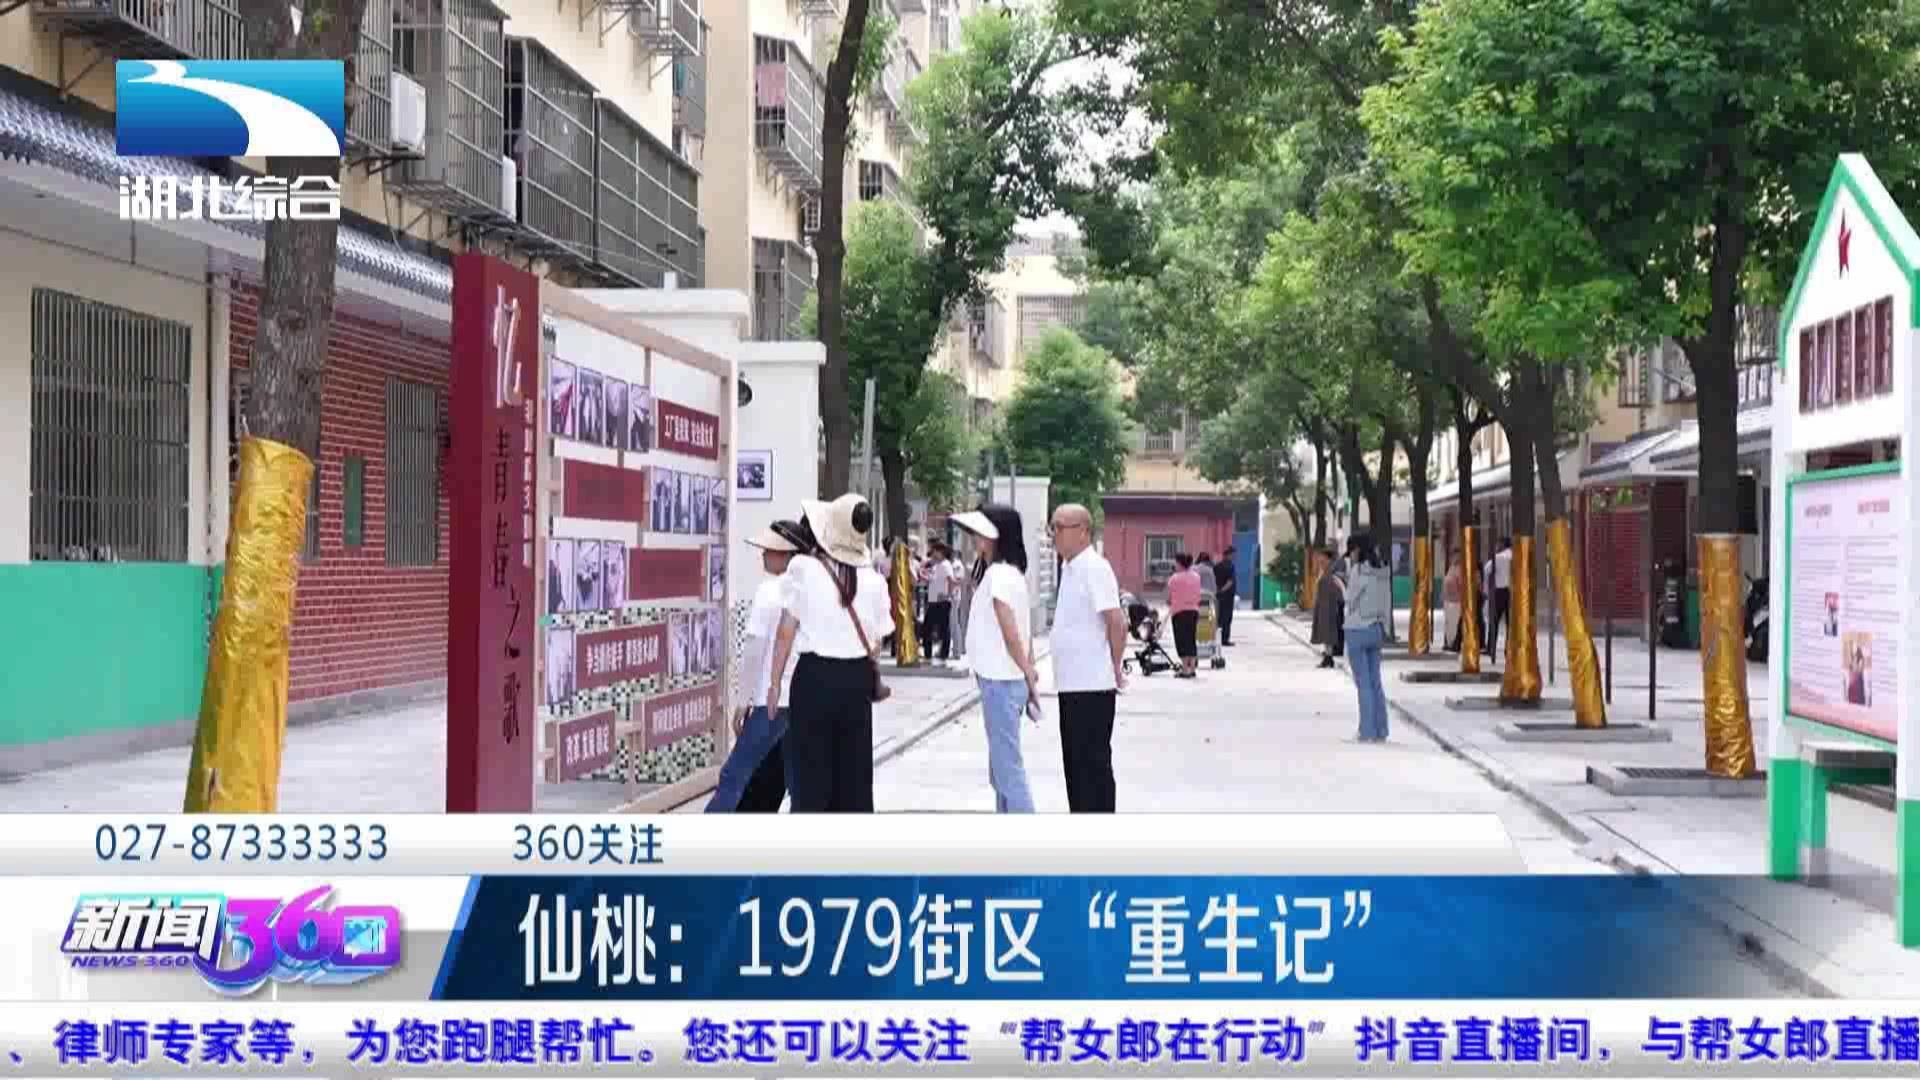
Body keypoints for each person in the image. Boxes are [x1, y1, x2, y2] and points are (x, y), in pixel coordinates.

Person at [765, 494, 895, 812]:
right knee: (854, 773)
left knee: (811, 772)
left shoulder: (803, 568)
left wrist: (775, 683)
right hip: (857, 680)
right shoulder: (875, 581)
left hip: (814, 678)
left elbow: (786, 630)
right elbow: (876, 643)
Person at [707, 521, 807, 813]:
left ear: (787, 555)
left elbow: (754, 649)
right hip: (802, 698)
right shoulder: (809, 590)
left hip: (770, 700)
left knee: (734, 774)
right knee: (795, 780)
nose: (763, 554)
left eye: (770, 549)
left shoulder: (770, 591)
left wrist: (743, 701)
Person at [953, 506, 1039, 813]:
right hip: (1002, 680)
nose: (975, 538)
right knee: (1002, 769)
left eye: (980, 532)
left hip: (1001, 681)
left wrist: (1028, 672)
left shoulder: (1000, 574)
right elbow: (1023, 632)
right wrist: (1029, 672)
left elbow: (1010, 631)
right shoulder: (1009, 573)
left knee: (1007, 769)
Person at [1047, 503, 1127, 812]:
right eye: (1052, 527)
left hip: (1092, 685)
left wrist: (1114, 666)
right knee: (1075, 767)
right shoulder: (1069, 568)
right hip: (1071, 684)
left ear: (1082, 531)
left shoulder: (1095, 567)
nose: (1054, 534)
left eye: (1059, 527)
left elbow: (1116, 622)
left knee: (1093, 766)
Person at [1344, 534, 1393, 742]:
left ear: (1357, 549)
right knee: (1375, 681)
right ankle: (1381, 729)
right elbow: (1387, 602)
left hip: (1357, 629)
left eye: (1351, 552)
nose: (1351, 557)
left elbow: (1350, 600)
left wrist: (1344, 586)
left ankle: (1366, 730)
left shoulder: (1358, 571)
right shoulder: (1383, 570)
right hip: (1377, 629)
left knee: (1363, 683)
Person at [1310, 544, 1347, 669]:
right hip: (1322, 607)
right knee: (1325, 632)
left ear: (1328, 559)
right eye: (1320, 558)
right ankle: (1327, 656)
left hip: (1330, 607)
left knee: (1329, 632)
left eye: (1322, 558)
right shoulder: (1323, 572)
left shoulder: (1332, 573)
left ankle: (1329, 657)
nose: (1320, 560)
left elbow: (1339, 591)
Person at [1166, 553, 1203, 679]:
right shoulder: (1196, 577)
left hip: (1179, 612)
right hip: (1193, 611)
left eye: (1175, 562)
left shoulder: (1174, 579)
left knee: (1182, 640)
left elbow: (1169, 598)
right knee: (1191, 639)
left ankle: (1185, 669)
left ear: (1180, 563)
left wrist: (1170, 602)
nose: (1174, 565)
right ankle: (1192, 668)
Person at [922, 541, 955, 662]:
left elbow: (951, 581)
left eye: (935, 551)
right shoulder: (936, 565)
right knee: (927, 627)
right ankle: (928, 653)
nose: (933, 554)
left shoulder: (946, 565)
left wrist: (948, 595)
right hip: (933, 601)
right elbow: (933, 580)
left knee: (943, 628)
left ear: (940, 552)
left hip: (941, 601)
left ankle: (943, 654)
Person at [1213, 549, 1238, 646]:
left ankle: (1216, 639)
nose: (1234, 557)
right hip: (1227, 596)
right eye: (1232, 555)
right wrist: (1223, 590)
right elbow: (1230, 581)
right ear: (1228, 555)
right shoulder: (1230, 566)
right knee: (1227, 618)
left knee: (1218, 617)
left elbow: (1213, 579)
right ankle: (1225, 640)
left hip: (1218, 595)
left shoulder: (1217, 566)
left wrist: (1218, 591)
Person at [1442, 549, 1464, 653]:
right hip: (1448, 600)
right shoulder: (1451, 567)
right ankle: (1449, 642)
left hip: (1456, 601)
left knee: (1454, 624)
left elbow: (1461, 584)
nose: (1455, 558)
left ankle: (1453, 643)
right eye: (1453, 556)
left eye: (1457, 556)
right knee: (1448, 623)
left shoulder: (1460, 569)